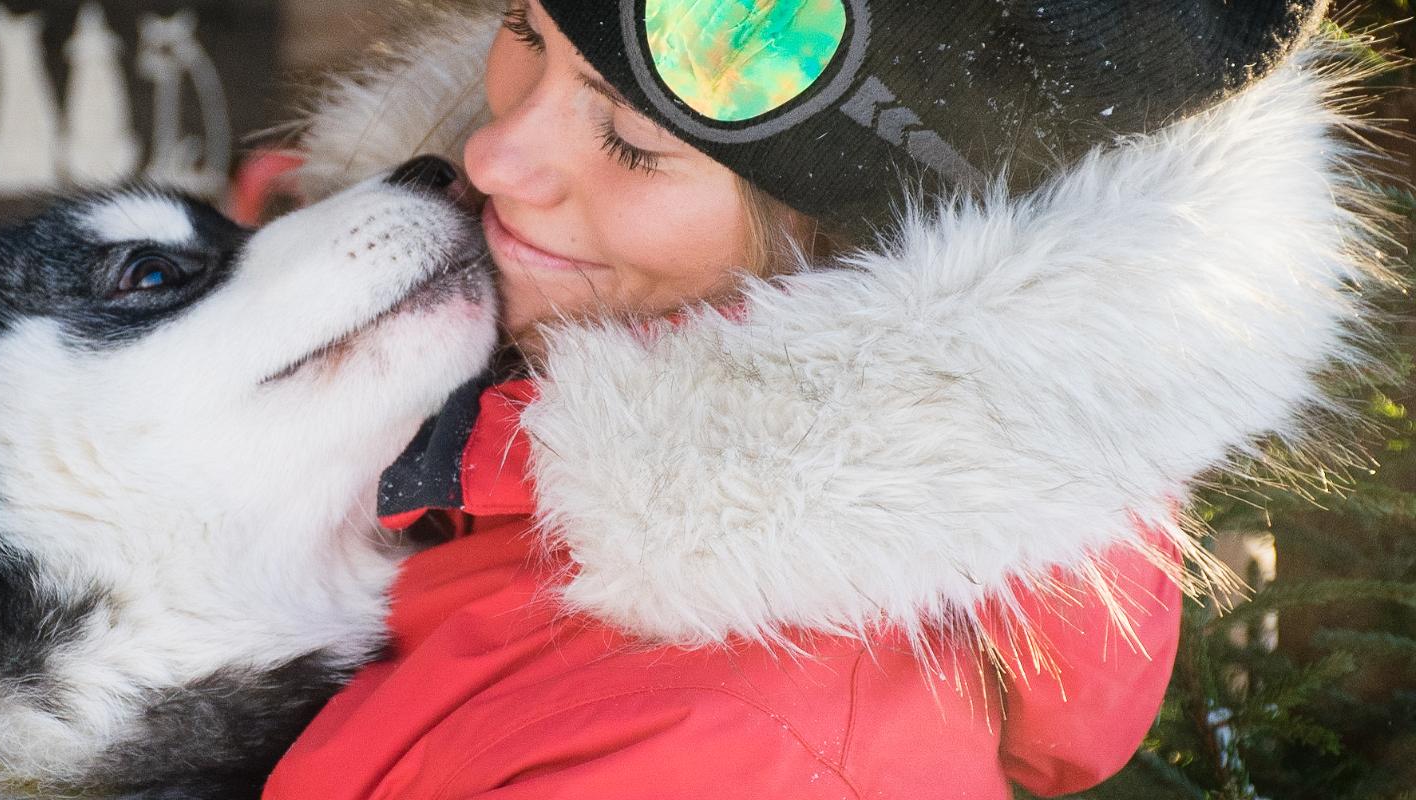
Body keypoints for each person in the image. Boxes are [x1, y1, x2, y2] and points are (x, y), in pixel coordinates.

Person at [262, 0, 1379, 796]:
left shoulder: (707, 753)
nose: (496, 155)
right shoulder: (498, 356)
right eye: (524, 30)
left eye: (632, 142)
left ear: (852, 243)